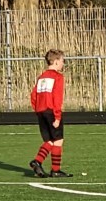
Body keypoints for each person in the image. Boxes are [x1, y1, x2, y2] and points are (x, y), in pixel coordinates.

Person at [29, 49, 73, 178]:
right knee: (58, 140)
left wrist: (37, 109)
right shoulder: (58, 77)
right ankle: (54, 169)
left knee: (49, 140)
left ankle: (38, 162)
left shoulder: (41, 77)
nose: (63, 64)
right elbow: (57, 98)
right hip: (51, 111)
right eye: (62, 61)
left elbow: (33, 95)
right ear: (56, 61)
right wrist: (57, 117)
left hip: (41, 111)